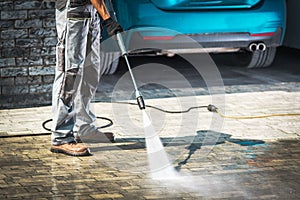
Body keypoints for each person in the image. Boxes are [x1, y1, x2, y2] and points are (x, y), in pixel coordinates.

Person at [50, 0, 123, 156]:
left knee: (90, 74)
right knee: (70, 75)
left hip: (92, 13)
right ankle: (61, 137)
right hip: (73, 11)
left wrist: (104, 14)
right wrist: (108, 18)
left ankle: (85, 128)